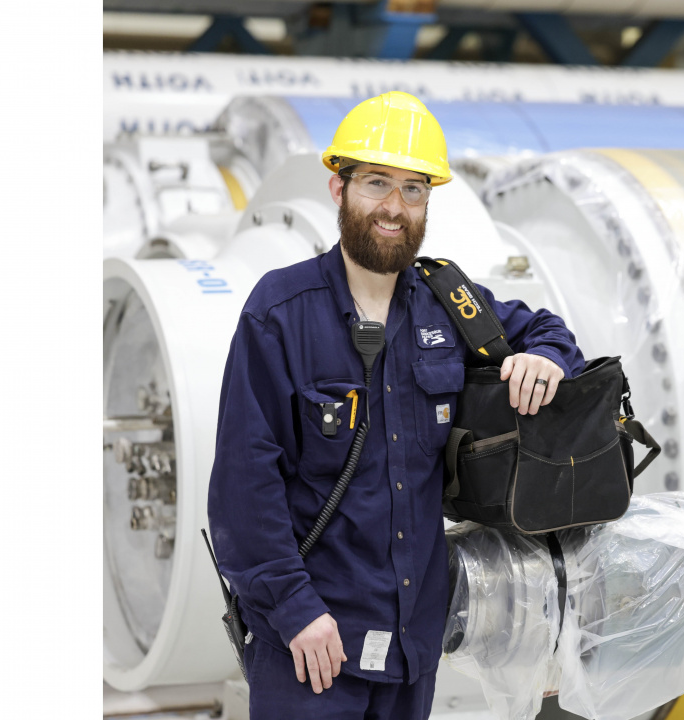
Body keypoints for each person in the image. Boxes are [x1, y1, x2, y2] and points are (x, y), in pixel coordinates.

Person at [207, 91, 585, 719]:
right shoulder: (279, 312)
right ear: (338, 188)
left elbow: (546, 329)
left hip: (413, 642)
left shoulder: (450, 303)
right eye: (377, 183)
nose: (394, 207)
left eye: (414, 189)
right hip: (313, 646)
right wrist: (296, 611)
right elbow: (244, 487)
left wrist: (545, 358)